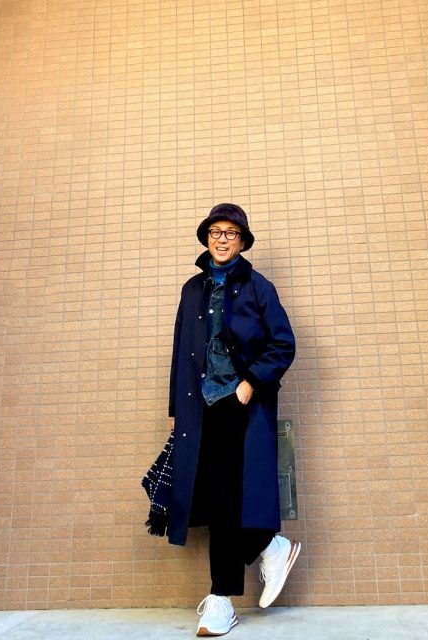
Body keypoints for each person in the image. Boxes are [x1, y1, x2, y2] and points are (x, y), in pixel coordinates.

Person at [167, 203, 300, 636]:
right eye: (215, 232)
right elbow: (180, 352)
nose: (222, 239)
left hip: (240, 403)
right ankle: (269, 545)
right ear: (207, 238)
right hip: (200, 407)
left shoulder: (259, 286)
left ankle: (222, 601)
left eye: (230, 233)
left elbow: (282, 344)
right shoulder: (192, 289)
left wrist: (250, 383)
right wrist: (177, 410)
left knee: (225, 498)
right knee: (211, 499)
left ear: (242, 242)